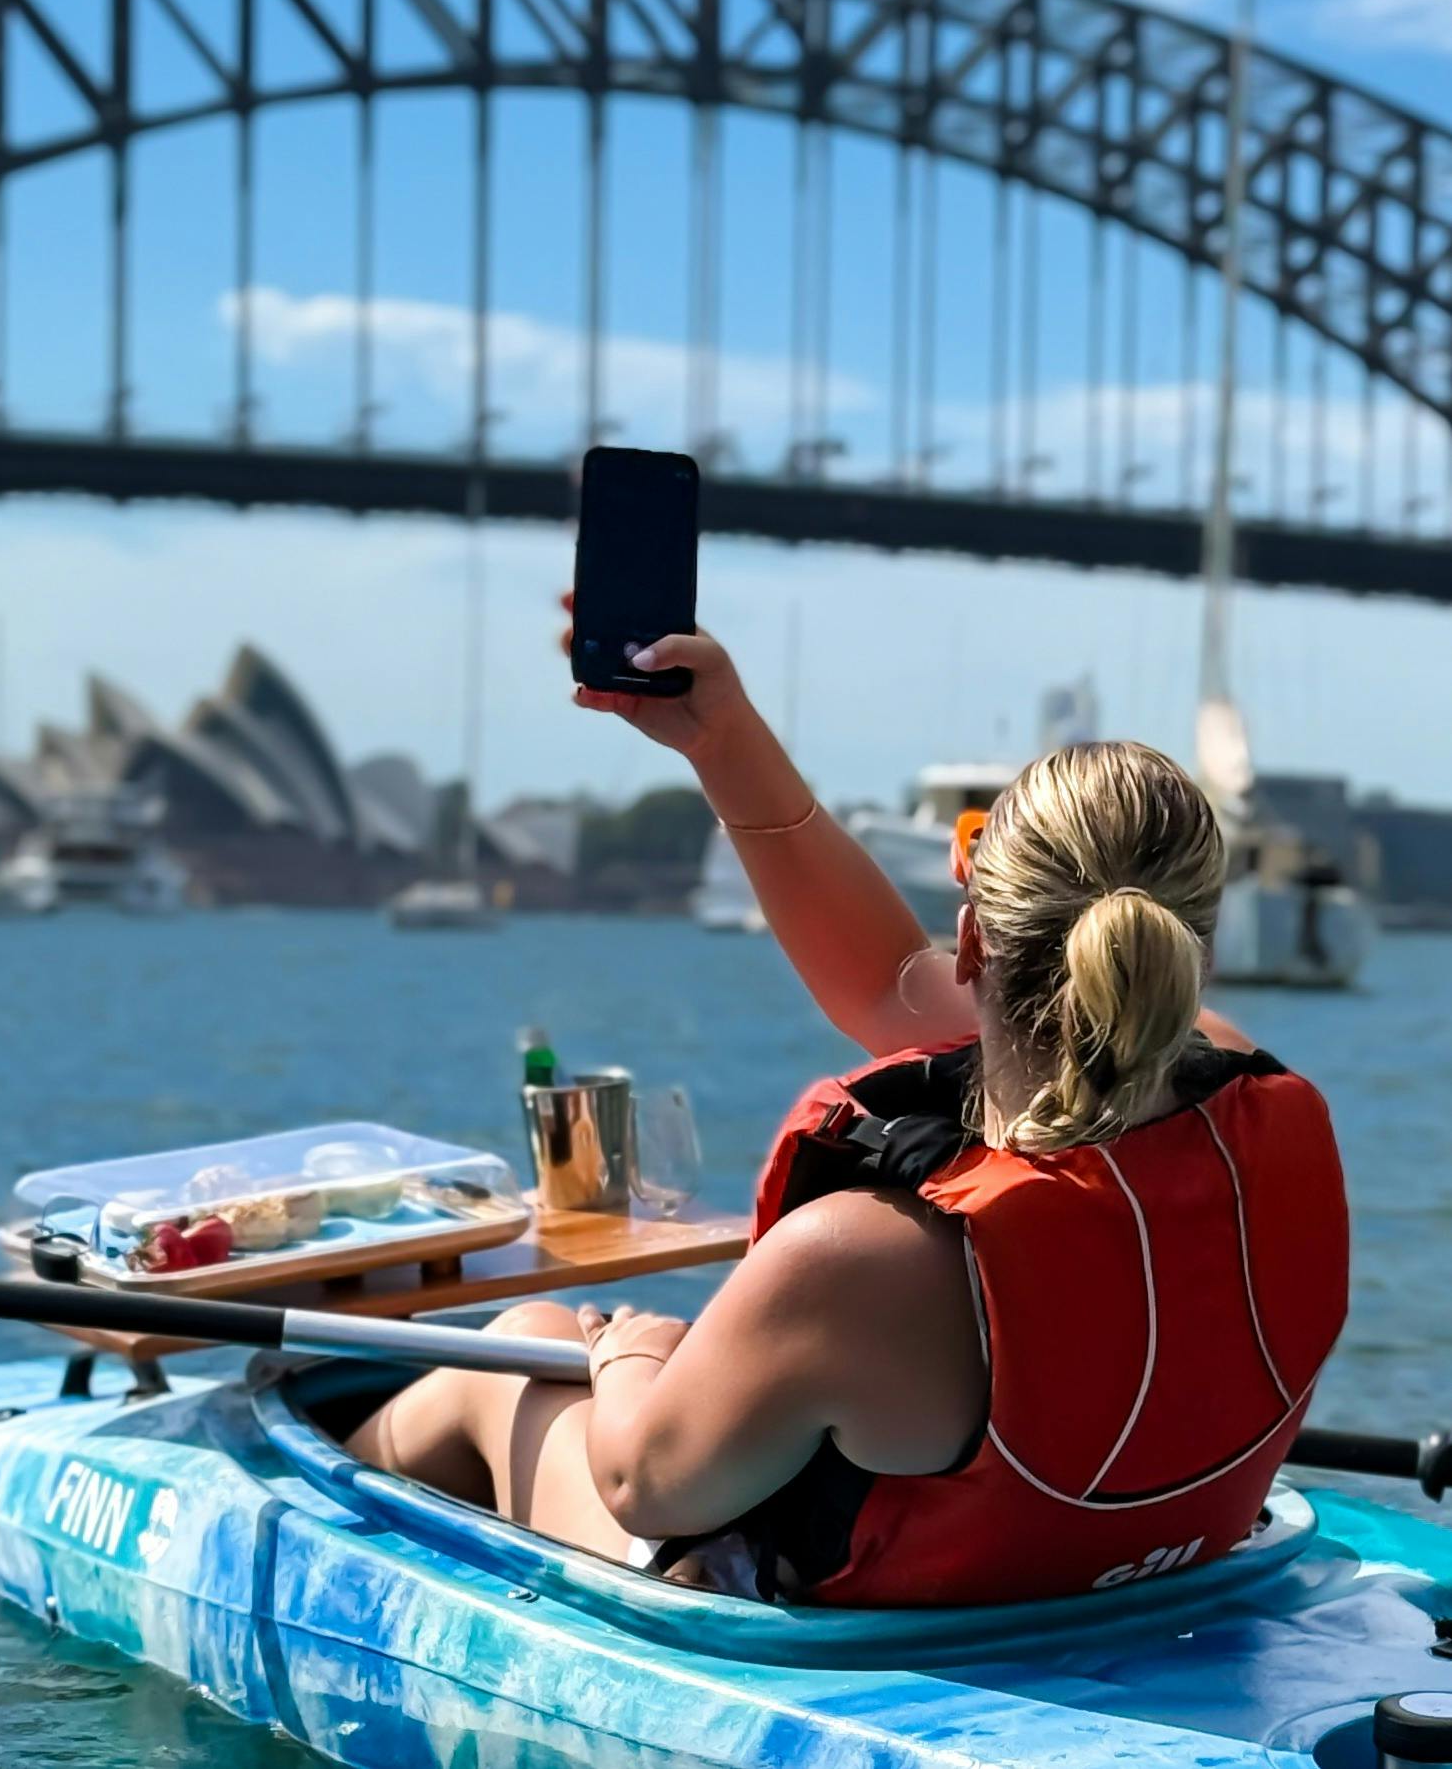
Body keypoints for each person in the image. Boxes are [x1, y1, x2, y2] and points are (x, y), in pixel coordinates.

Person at [348, 612, 1349, 1606]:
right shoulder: (1259, 1099)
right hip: (1143, 1563)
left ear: (971, 942)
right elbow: (881, 981)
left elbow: (639, 1485)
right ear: (1187, 958)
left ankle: (287, 1501)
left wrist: (629, 1354)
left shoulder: (856, 1263)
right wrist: (720, 738)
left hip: (893, 1622)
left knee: (525, 1343)